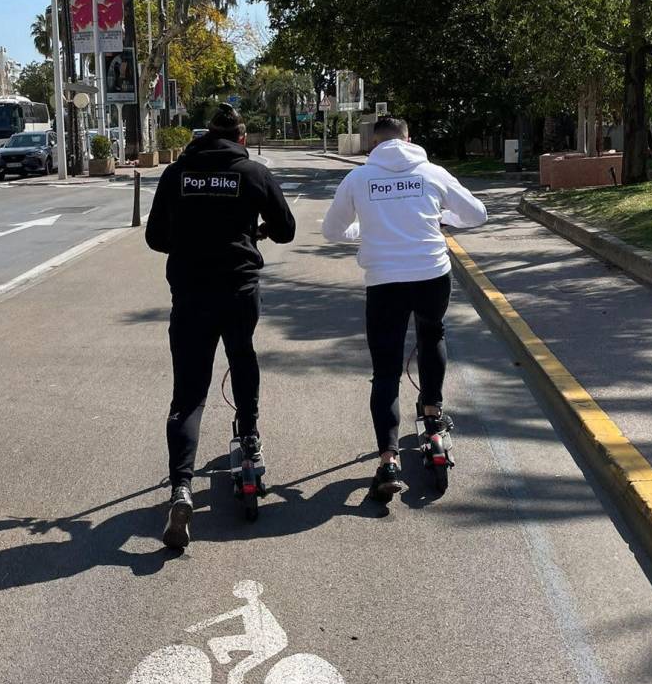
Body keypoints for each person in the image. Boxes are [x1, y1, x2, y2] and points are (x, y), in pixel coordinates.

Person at [145, 103, 296, 548]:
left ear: (206, 135)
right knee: (242, 356)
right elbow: (285, 229)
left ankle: (181, 488)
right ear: (242, 138)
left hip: (190, 291)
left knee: (189, 392)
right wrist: (256, 231)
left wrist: (189, 238)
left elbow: (156, 238)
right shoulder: (253, 173)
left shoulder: (179, 173)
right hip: (238, 289)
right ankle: (248, 437)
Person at [322, 115, 487, 501]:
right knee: (432, 333)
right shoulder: (432, 173)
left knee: (385, 369)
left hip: (384, 282)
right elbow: (477, 214)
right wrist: (438, 217)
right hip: (432, 275)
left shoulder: (359, 179)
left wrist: (367, 232)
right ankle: (432, 414)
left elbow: (332, 231)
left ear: (373, 144)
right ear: (409, 138)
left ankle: (388, 457)